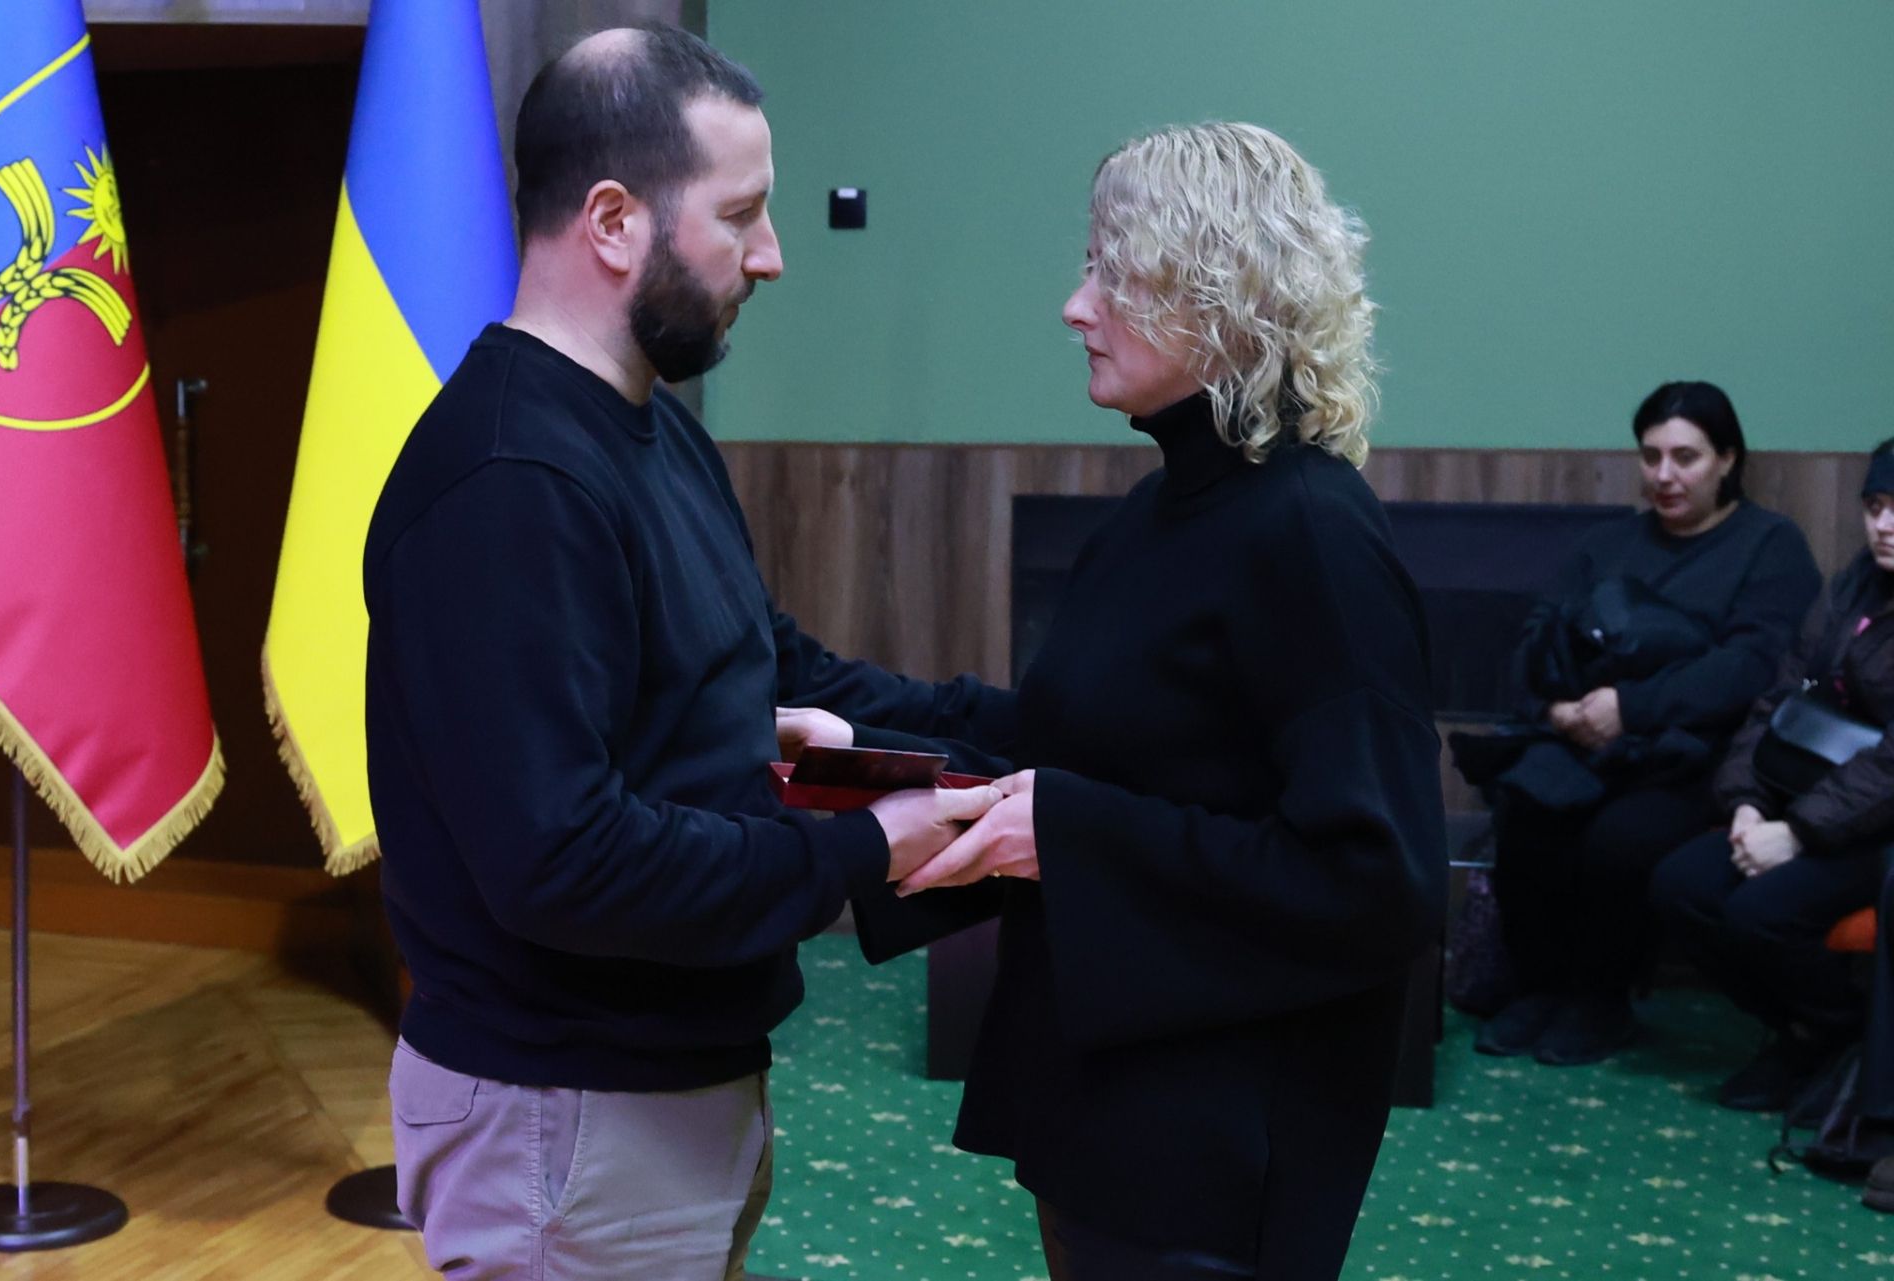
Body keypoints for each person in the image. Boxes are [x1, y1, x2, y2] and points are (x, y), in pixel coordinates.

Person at [362, 27, 1007, 1280]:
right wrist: (862, 847)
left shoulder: (650, 432)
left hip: (667, 1088)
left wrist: (1024, 736)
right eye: (741, 214)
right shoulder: (510, 481)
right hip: (564, 1112)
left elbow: (775, 674)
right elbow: (562, 862)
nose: (771, 255)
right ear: (614, 221)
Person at [791, 122, 1448, 1281]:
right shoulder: (1163, 508)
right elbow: (1078, 742)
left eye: (1110, 270)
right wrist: (863, 749)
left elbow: (1375, 883)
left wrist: (1073, 833)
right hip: (1114, 1099)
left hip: (1223, 1138)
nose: (1075, 306)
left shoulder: (1312, 532)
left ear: (1219, 294)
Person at [1472, 382, 1821, 1066]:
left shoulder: (1769, 545)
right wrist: (1556, 708)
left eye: (1685, 457)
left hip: (1696, 755)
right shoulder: (1609, 544)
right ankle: (1540, 989)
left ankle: (1600, 1001)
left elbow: (1750, 669)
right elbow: (1539, 634)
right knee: (1528, 813)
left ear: (1727, 459)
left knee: (1619, 839)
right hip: (1580, 739)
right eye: (1651, 456)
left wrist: (1630, 708)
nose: (1664, 475)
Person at [1649, 440, 1894, 1110]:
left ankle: (1838, 1032)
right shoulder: (1852, 585)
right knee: (1680, 885)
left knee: (1760, 912)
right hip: (1803, 799)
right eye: (1875, 506)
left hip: (1875, 831)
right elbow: (1781, 697)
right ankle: (1801, 1030)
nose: (1883, 525)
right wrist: (1748, 802)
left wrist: (1799, 833)